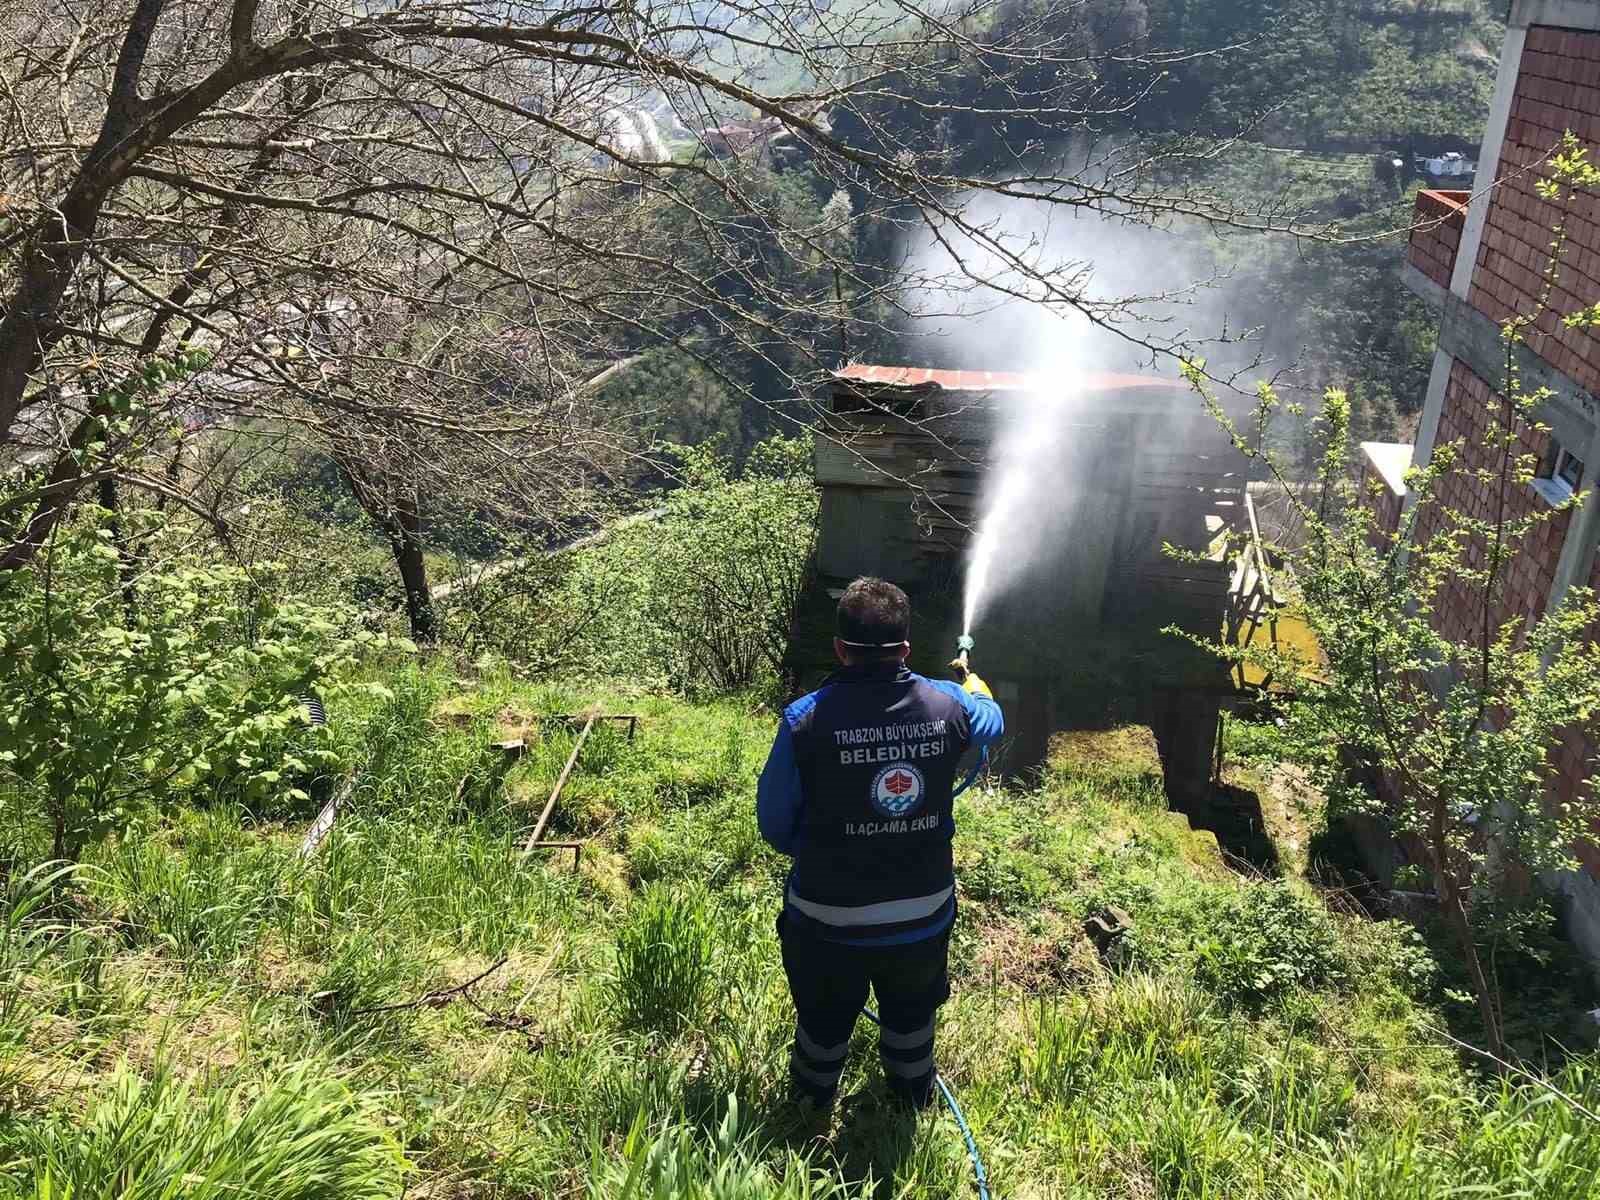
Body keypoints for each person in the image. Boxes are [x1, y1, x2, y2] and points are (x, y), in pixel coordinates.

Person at [757, 577, 1003, 1111]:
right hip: (922, 916)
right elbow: (992, 720)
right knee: (912, 1019)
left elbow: (775, 826)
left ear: (840, 649)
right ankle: (911, 1104)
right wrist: (973, 688)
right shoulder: (953, 707)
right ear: (907, 650)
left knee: (822, 1026)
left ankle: (808, 1111)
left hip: (825, 919)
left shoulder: (803, 721)